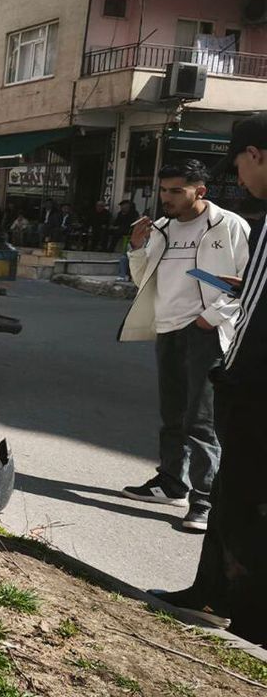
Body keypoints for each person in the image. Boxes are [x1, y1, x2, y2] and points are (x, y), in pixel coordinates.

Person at [150, 114, 267, 647]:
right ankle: (213, 593)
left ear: (255, 155)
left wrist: (229, 364)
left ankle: (247, 616)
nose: (239, 177)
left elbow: (254, 312)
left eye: (239, 164)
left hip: (252, 381)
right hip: (216, 355)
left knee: (241, 495)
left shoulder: (241, 224)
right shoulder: (163, 228)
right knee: (230, 493)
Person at [118, 159, 251, 531]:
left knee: (201, 419)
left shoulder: (228, 225)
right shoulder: (161, 228)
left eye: (176, 191)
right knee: (173, 413)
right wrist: (136, 247)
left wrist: (213, 317)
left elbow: (248, 281)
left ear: (200, 191)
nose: (167, 198)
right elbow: (144, 279)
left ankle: (206, 499)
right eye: (164, 190)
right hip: (168, 327)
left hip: (206, 332)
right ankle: (171, 483)